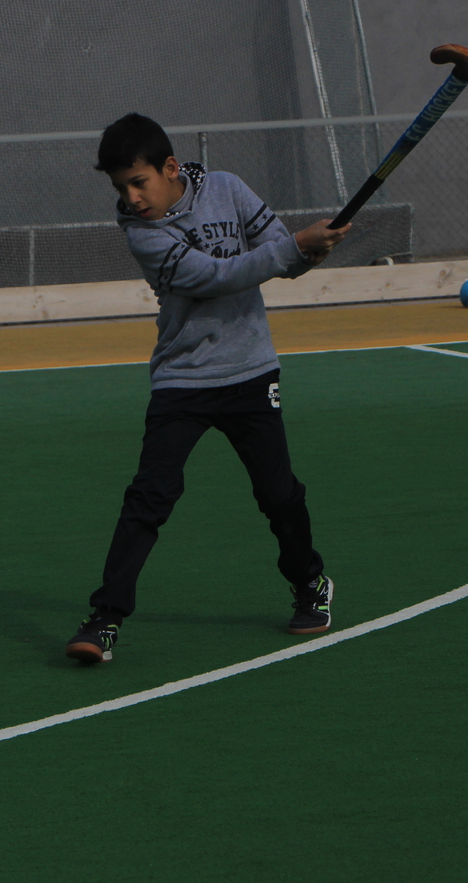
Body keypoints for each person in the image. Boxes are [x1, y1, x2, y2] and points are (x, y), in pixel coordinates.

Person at [65, 112, 350, 665]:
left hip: (251, 371)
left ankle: (310, 583)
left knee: (278, 495)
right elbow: (219, 277)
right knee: (149, 496)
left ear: (170, 168)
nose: (130, 198)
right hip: (183, 379)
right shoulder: (143, 234)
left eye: (138, 183)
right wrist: (294, 247)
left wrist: (308, 251)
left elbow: (280, 255)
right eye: (121, 188)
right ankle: (105, 619)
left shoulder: (228, 188)